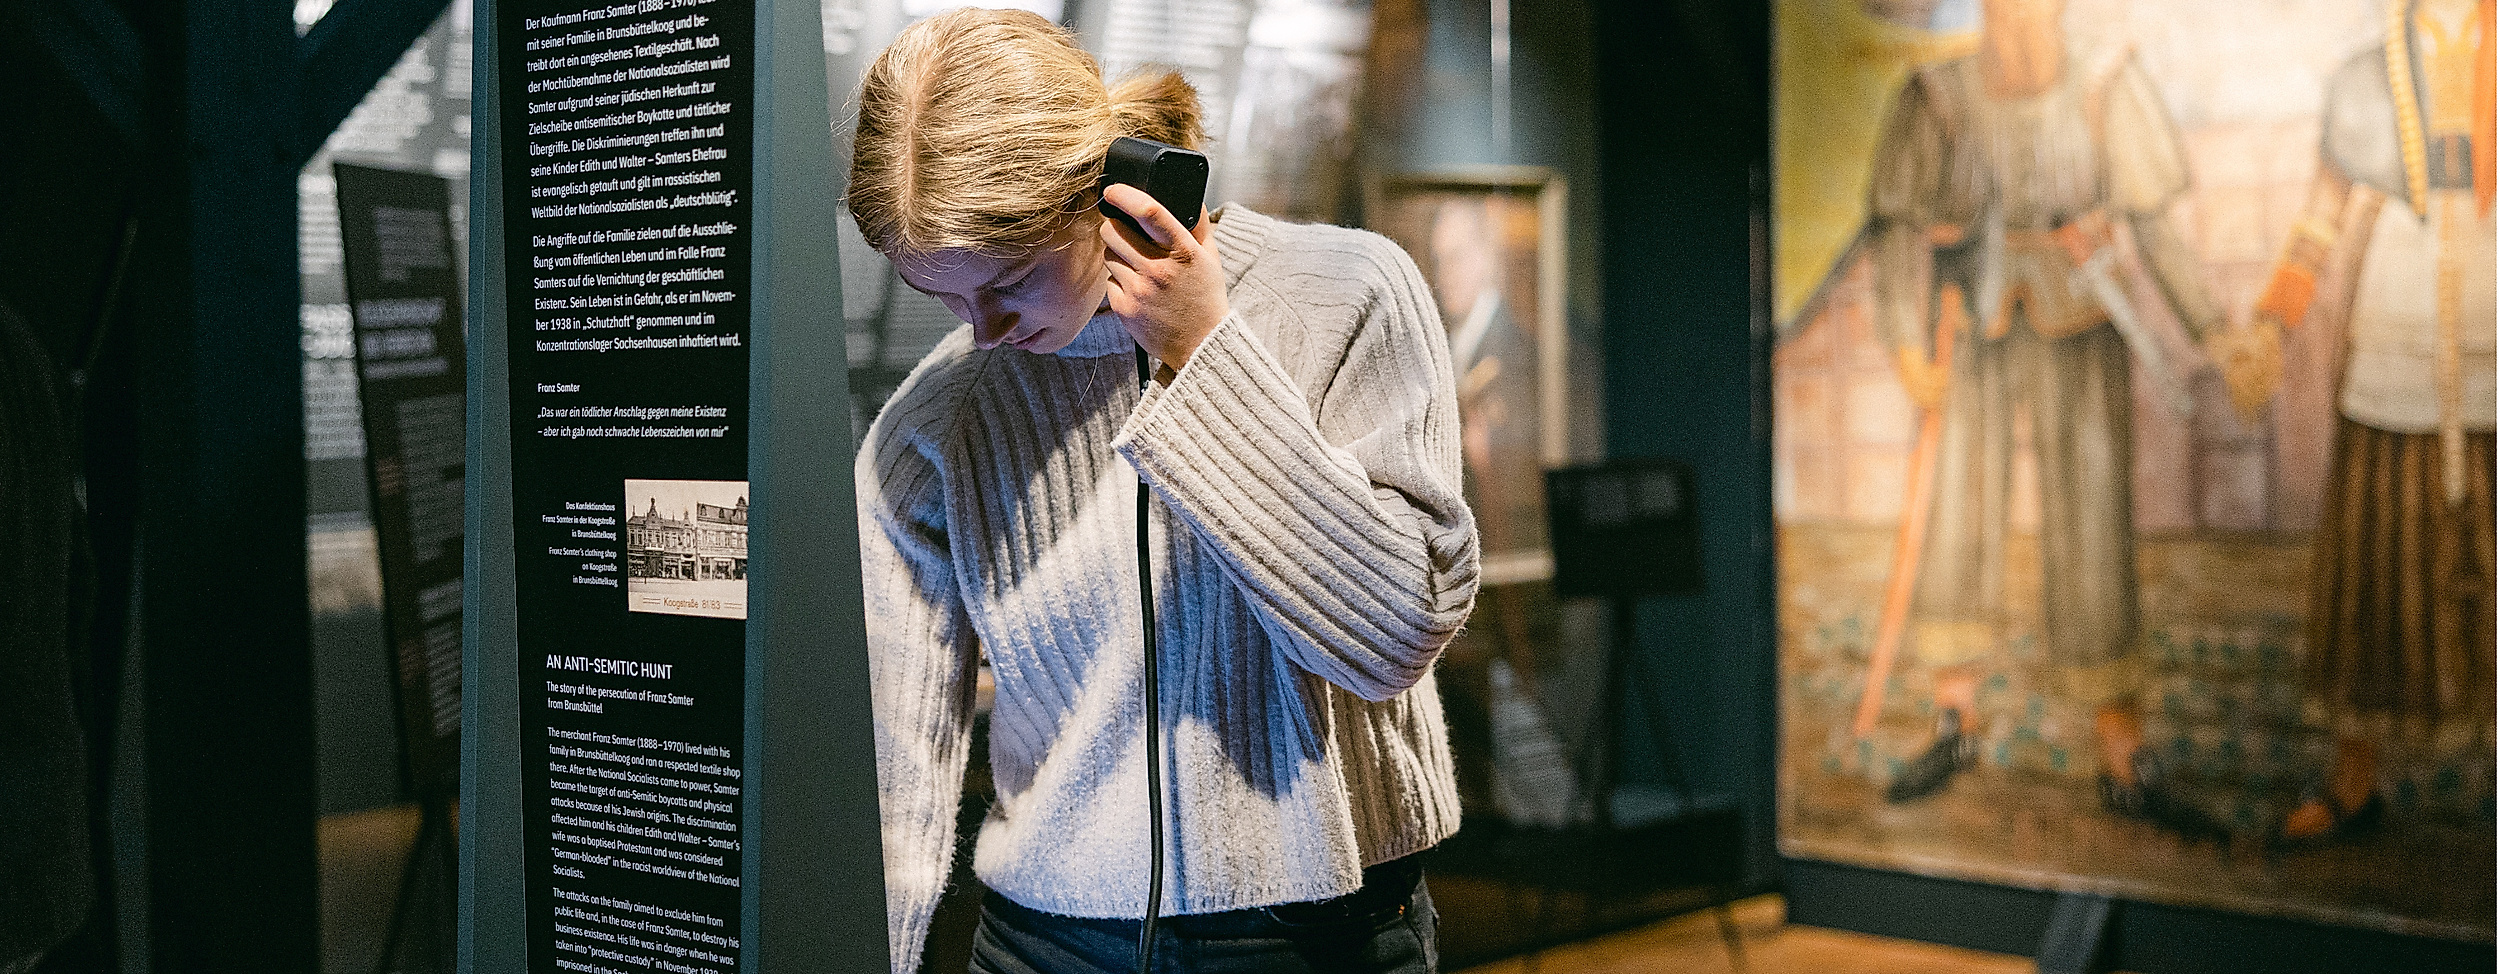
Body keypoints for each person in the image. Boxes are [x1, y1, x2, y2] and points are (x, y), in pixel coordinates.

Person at [845, 9, 1479, 973]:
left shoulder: (1350, 295)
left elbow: (1397, 630)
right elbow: (895, 759)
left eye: (1009, 282)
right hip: (1040, 945)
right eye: (946, 297)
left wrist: (1202, 355)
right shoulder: (940, 419)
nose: (981, 332)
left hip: (1324, 941)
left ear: (1114, 200)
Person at [1862, 0, 2250, 839]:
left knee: (2092, 529)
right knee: (1959, 519)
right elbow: (1894, 228)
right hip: (1970, 326)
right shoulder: (1938, 94)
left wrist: (2216, 331)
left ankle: (2123, 756)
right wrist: (1903, 343)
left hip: (2082, 319)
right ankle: (1954, 726)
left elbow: (2153, 227)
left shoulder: (2105, 86)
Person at [2221, 0, 2494, 846]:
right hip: (2397, 312)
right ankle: (2354, 782)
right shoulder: (2364, 75)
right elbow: (2320, 219)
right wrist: (2272, 321)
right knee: (2376, 557)